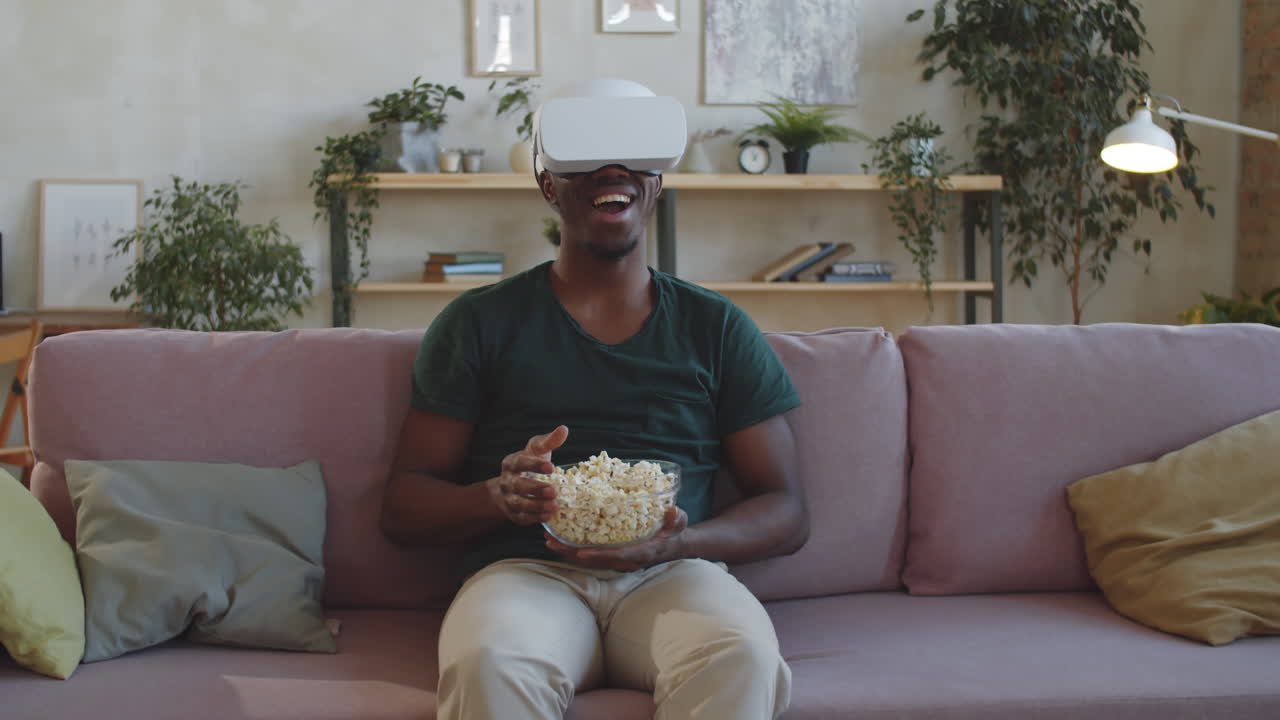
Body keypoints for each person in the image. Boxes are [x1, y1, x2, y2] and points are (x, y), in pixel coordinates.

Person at [380, 78, 808, 720]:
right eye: (587, 159)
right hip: (525, 573)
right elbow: (403, 506)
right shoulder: (477, 323)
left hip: (674, 574)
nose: (615, 172)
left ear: (658, 183)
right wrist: (495, 498)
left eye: (636, 158)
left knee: (740, 656)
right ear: (550, 185)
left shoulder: (715, 327)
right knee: (488, 663)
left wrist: (680, 544)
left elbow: (787, 509)